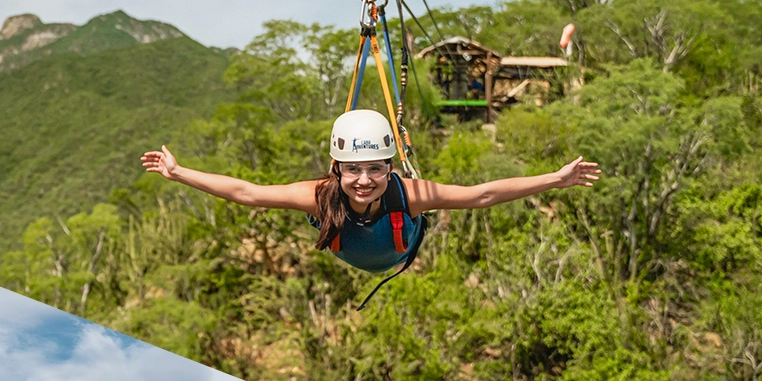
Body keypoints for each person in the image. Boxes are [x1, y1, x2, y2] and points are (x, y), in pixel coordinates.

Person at [141, 107, 600, 278]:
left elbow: (480, 195)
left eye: (376, 170)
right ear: (336, 169)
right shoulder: (319, 195)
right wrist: (180, 173)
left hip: (395, 255)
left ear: (390, 167)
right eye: (353, 170)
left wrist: (554, 180)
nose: (364, 180)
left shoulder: (409, 194)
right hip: (358, 255)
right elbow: (248, 193)